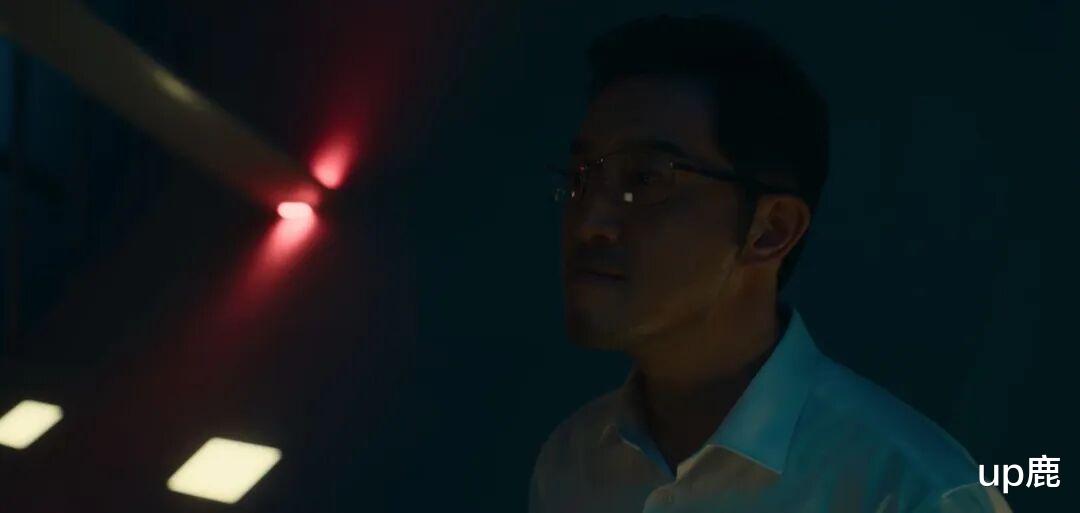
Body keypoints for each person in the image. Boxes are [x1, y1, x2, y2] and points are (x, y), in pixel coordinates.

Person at [529, 15, 1010, 513]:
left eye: (645, 179)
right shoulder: (572, 461)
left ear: (771, 229)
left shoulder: (912, 490)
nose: (589, 223)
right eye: (580, 177)